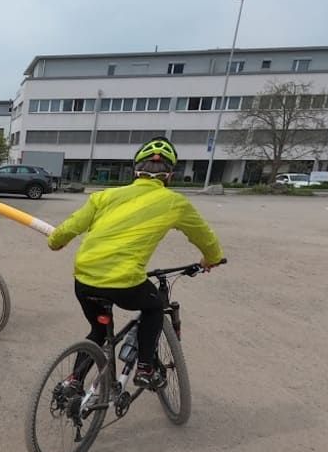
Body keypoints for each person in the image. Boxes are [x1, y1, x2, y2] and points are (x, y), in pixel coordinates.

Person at [46, 137, 223, 389]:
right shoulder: (175, 203)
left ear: (135, 169)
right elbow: (204, 237)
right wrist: (211, 259)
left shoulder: (104, 196)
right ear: (169, 175)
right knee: (154, 308)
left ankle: (74, 382)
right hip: (124, 283)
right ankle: (145, 368)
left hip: (84, 279)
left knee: (97, 331)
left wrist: (56, 241)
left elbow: (69, 228)